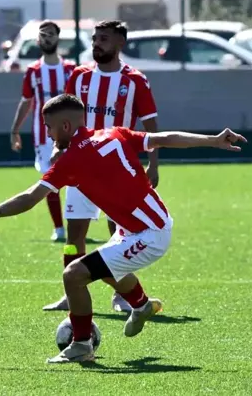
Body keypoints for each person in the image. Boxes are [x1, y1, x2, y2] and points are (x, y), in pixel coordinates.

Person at [0, 93, 246, 363]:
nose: (49, 135)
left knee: (73, 275)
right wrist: (213, 139)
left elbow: (31, 197)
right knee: (102, 268)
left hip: (150, 234)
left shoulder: (72, 160)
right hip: (144, 225)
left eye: (50, 128)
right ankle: (141, 305)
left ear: (65, 126)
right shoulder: (112, 133)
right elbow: (163, 138)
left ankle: (80, 345)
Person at [43, 20, 160, 313]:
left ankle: (121, 295)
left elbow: (151, 125)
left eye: (104, 39)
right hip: (80, 169)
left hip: (116, 171)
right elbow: (62, 116)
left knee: (118, 235)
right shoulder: (80, 76)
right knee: (74, 238)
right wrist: (59, 149)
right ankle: (71, 294)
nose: (97, 44)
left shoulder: (135, 80)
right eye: (95, 39)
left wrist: (153, 164)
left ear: (120, 43)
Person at [10, 20, 75, 242]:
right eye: (43, 35)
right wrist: (15, 130)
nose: (46, 38)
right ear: (38, 40)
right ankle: (59, 228)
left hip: (70, 135)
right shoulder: (33, 71)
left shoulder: (70, 70)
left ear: (58, 38)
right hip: (43, 137)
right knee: (50, 180)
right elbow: (27, 101)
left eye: (51, 34)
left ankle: (78, 223)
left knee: (77, 180)